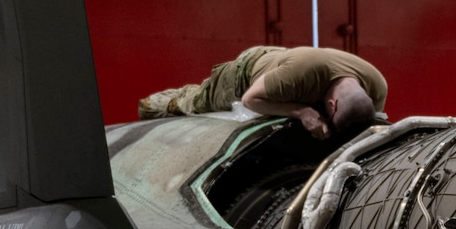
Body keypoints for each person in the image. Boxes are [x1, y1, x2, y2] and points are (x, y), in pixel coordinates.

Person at [138, 44, 388, 141]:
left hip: (285, 66)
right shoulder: (299, 75)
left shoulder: (377, 87)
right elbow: (250, 99)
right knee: (192, 101)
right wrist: (301, 112)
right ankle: (156, 104)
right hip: (245, 73)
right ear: (331, 105)